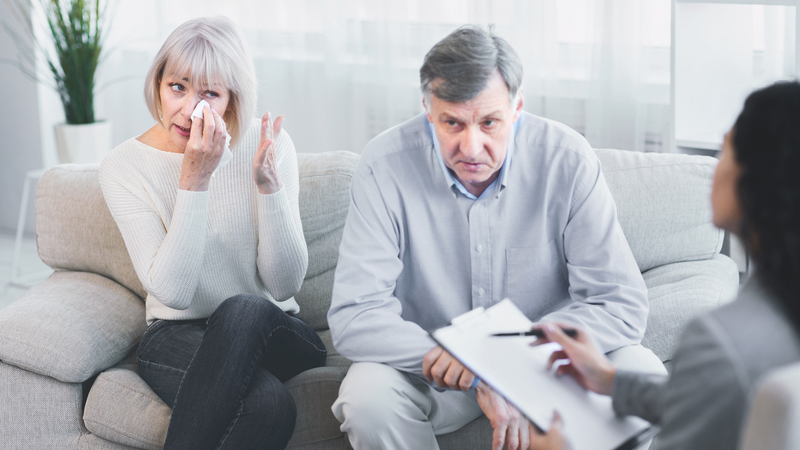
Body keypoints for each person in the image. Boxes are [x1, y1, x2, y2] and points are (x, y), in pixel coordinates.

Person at [327, 25, 664, 450]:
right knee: (366, 397)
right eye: (452, 123)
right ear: (428, 110)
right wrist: (469, 364)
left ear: (517, 107)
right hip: (436, 370)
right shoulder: (384, 166)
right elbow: (356, 315)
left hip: (549, 367)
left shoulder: (569, 161)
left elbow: (620, 303)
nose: (471, 146)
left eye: (489, 123)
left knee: (643, 374)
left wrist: (513, 362)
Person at [527, 81, 800, 450]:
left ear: (759, 179)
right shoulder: (776, 307)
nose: (716, 168)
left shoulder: (721, 340)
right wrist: (610, 380)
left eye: (728, 150)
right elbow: (714, 398)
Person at [99, 17, 326, 450]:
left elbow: (283, 284)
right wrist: (194, 181)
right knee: (270, 405)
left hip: (273, 330)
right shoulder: (123, 166)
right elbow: (173, 292)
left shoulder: (269, 145)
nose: (188, 110)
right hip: (176, 334)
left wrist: (269, 189)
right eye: (178, 87)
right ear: (158, 85)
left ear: (232, 100)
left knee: (243, 309)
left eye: (209, 94)